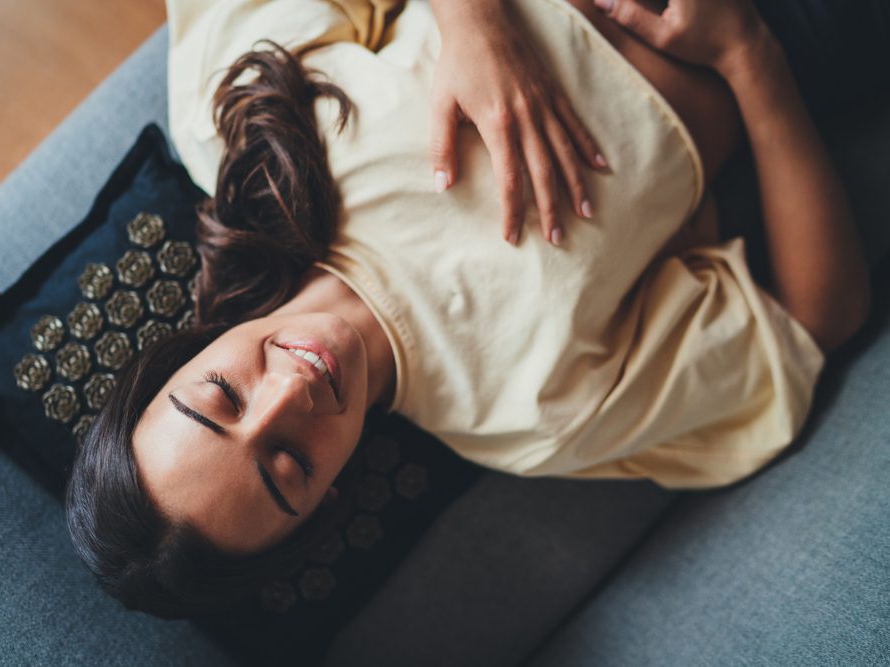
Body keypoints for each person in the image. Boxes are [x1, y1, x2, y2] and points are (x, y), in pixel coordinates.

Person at [66, 0, 878, 618]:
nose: (292, 393)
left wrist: (477, 27)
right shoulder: (531, 411)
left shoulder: (236, 129)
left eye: (222, 395)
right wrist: (749, 54)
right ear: (329, 500)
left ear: (179, 355)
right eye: (287, 466)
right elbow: (819, 317)